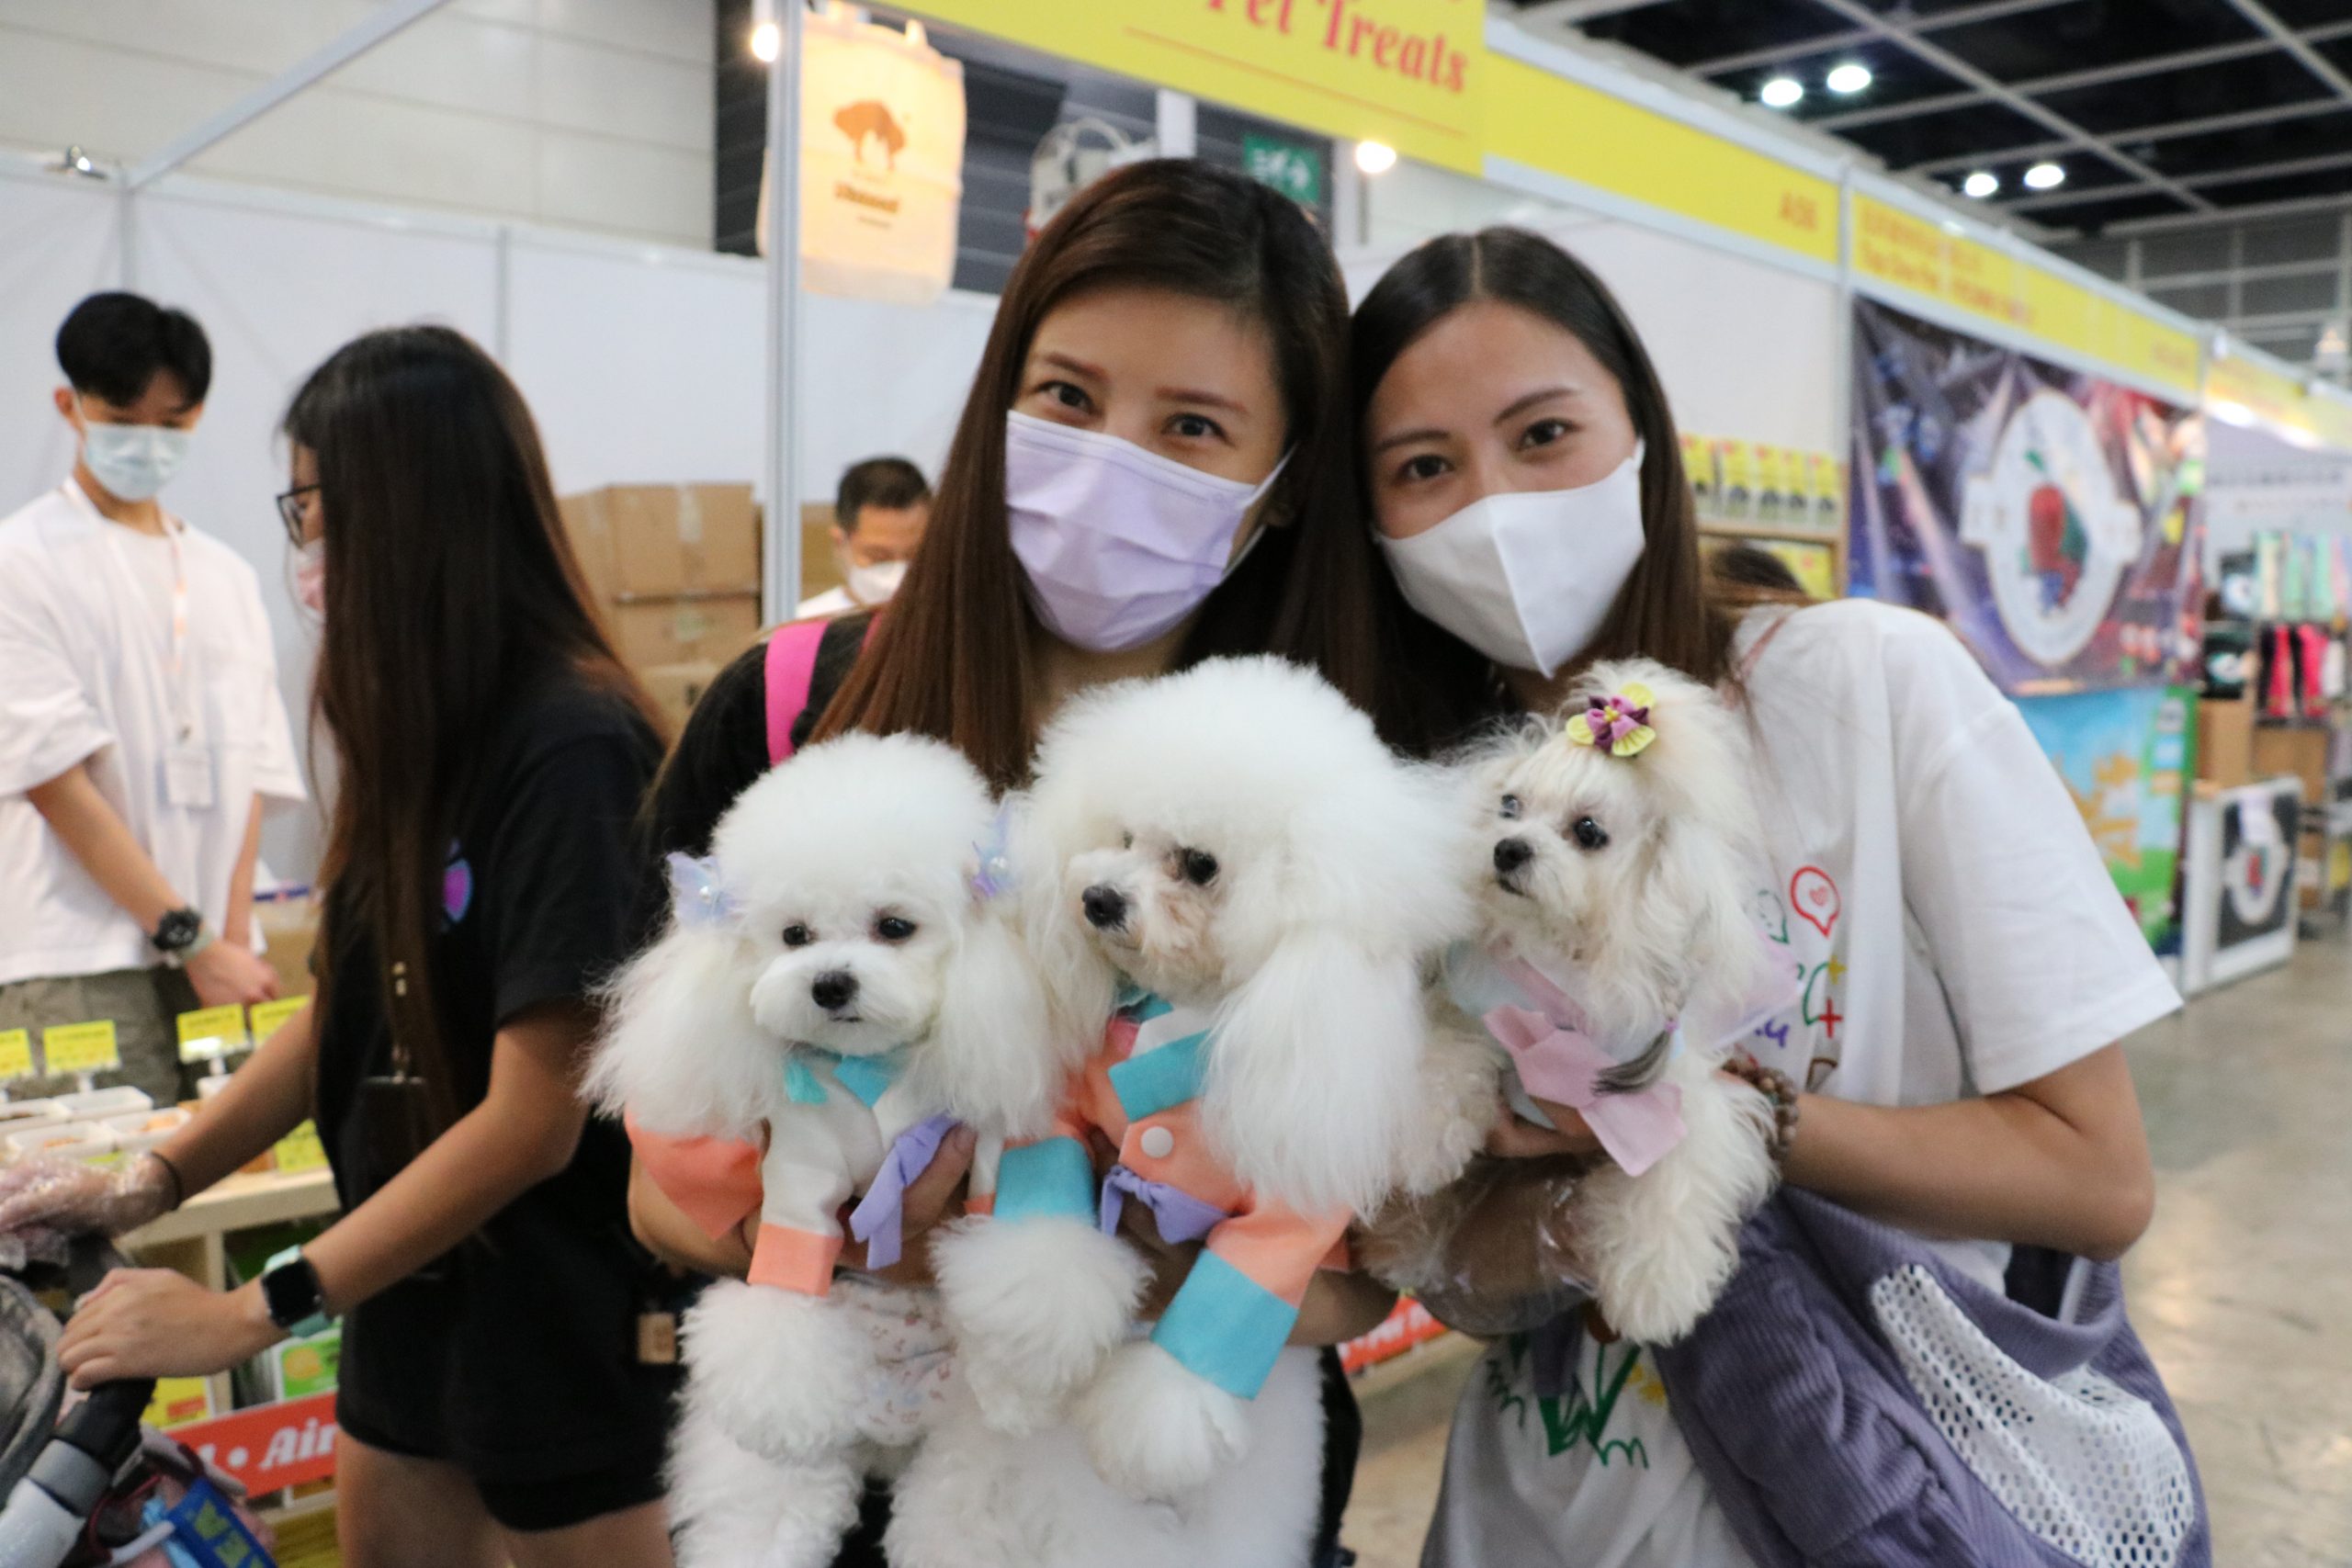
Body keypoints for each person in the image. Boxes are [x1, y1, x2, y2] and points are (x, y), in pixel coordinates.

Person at [629, 158, 1418, 1568]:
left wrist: (1118, 1268)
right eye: (1067, 396)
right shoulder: (798, 700)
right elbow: (649, 1180)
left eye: (1192, 425)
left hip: (1187, 1484)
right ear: (999, 396)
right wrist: (861, 1236)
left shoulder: (1333, 786)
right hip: (860, 1487)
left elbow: (1374, 1263)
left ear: (1287, 483)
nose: (1114, 455)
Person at [1353, 228, 2176, 1567]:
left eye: (1544, 432)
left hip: (1880, 1481)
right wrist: (1559, 1212)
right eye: (1425, 467)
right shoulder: (1428, 811)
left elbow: (2096, 1174)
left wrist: (1721, 1111)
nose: (1493, 506)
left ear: (1641, 437)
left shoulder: (1867, 684)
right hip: (1538, 1511)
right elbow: (1433, 1259)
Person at [4, 328, 680, 1568]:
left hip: (557, 1313)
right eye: (300, 512)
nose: (305, 550)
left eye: (317, 511)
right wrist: (153, 1179)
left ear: (413, 510)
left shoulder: (572, 744)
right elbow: (343, 1008)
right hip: (407, 1294)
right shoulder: (419, 727)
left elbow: (533, 1119)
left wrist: (251, 1308)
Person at [0, 291, 299, 1105]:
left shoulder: (228, 576)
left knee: (246, 1191)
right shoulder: (20, 561)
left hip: (221, 958)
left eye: (173, 422)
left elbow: (253, 776)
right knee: (88, 1205)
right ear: (71, 405)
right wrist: (190, 938)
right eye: (124, 416)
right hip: (75, 955)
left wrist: (228, 936)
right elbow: (52, 778)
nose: (149, 441)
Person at [796, 456, 933, 617]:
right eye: (879, 558)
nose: (898, 574)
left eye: (914, 556)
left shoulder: (953, 624)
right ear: (840, 543)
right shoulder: (806, 626)